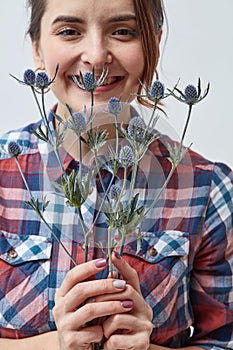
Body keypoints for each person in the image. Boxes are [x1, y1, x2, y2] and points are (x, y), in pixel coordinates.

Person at [0, 0, 233, 349]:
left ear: (153, 44)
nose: (96, 55)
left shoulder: (209, 190)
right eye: (69, 31)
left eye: (123, 31)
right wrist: (57, 344)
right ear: (37, 49)